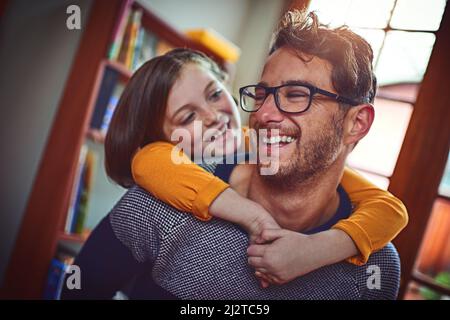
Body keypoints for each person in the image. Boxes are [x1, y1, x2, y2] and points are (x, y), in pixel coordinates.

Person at [61, 10, 405, 300]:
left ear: (357, 123)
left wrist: (324, 247)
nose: (265, 113)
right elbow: (79, 289)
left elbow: (389, 209)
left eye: (297, 94)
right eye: (263, 94)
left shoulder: (377, 268)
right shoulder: (160, 202)